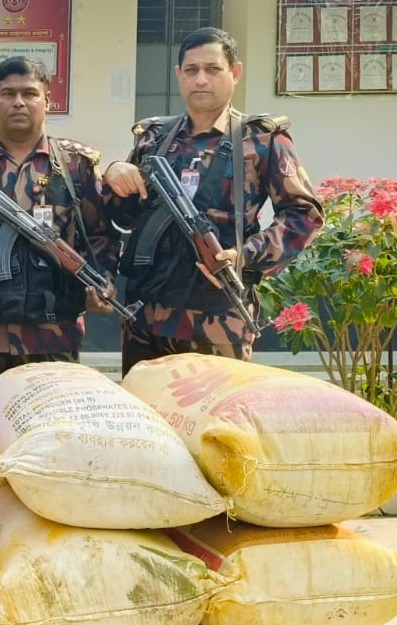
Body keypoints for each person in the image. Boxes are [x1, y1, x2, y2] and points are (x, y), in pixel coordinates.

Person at [0, 56, 118, 490]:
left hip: (53, 335)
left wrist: (102, 280)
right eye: (8, 94)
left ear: (48, 101)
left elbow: (102, 237)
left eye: (30, 94)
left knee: (53, 449)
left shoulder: (74, 166)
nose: (19, 102)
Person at [103, 27, 322, 375]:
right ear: (179, 75)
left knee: (218, 410)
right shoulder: (154, 138)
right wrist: (114, 175)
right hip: (145, 317)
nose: (201, 79)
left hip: (218, 319)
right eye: (191, 70)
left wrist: (243, 255)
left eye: (213, 69)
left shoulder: (261, 140)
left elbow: (303, 216)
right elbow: (124, 216)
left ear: (235, 72)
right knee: (145, 407)